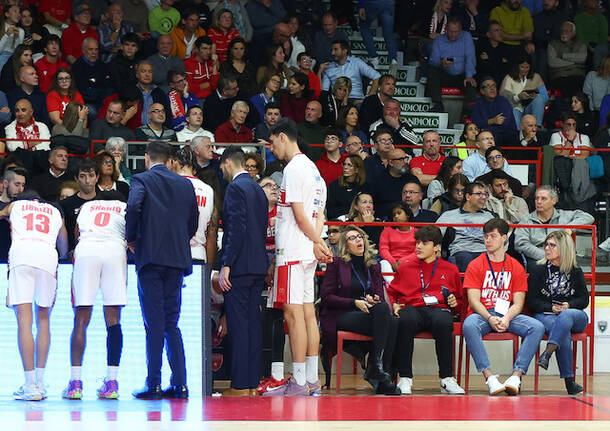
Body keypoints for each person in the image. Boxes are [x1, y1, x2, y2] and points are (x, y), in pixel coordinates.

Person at [127, 141, 198, 400]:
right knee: (172, 323)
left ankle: (153, 383)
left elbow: (134, 207)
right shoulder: (185, 183)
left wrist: (131, 237)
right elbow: (193, 222)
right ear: (170, 160)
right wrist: (179, 240)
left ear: (147, 158)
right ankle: (180, 384)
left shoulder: (141, 179)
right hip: (177, 259)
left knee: (154, 323)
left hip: (151, 257)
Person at [266, 118, 331, 396]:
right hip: (306, 250)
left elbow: (301, 215)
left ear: (283, 137)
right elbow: (319, 216)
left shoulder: (293, 168)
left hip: (293, 250)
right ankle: (312, 380)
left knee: (293, 316)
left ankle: (301, 381)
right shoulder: (315, 170)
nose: (271, 148)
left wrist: (317, 241)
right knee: (307, 315)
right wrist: (318, 243)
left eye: (272, 142)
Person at [462, 218, 545, 396]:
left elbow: (519, 302)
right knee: (469, 325)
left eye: (493, 236)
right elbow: (474, 301)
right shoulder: (476, 264)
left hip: (507, 314)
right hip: (483, 315)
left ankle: (516, 376)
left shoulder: (515, 266)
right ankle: (490, 378)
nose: (488, 240)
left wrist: (506, 318)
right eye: (485, 237)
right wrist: (490, 318)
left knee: (536, 327)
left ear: (504, 238)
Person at [1, 190, 68, 401]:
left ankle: (30, 385)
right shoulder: (55, 210)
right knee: (44, 320)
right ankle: (40, 382)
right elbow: (63, 242)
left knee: (24, 323)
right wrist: (62, 256)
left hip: (22, 255)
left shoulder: (16, 206)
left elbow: (2, 213)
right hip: (47, 256)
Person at [62, 191, 128, 400]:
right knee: (114, 319)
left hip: (87, 248)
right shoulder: (123, 206)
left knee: (81, 319)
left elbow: (76, 232)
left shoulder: (87, 207)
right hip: (114, 249)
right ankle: (112, 382)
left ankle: (75, 383)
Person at [319, 225, 400, 395]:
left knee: (390, 318)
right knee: (388, 320)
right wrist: (354, 303)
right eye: (352, 238)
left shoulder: (374, 266)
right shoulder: (336, 264)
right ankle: (377, 371)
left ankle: (379, 370)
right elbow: (327, 297)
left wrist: (373, 299)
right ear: (345, 244)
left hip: (367, 314)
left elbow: (379, 296)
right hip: (341, 314)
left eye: (360, 237)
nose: (358, 240)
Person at [388, 224, 465, 395]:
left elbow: (459, 301)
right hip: (412, 308)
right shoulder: (406, 266)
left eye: (424, 243)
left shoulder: (450, 269)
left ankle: (447, 378)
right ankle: (405, 378)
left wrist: (454, 303)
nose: (419, 247)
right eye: (417, 243)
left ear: (437, 247)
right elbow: (391, 291)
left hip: (438, 309)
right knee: (405, 319)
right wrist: (393, 304)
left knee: (444, 322)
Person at [215, 146, 268, 396]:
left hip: (240, 265)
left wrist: (226, 263)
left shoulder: (235, 188)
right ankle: (251, 382)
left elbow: (236, 229)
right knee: (253, 325)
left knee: (238, 325)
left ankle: (239, 384)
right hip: (258, 264)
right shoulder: (257, 188)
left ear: (227, 163)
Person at [528, 230, 589, 395]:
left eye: (552, 245)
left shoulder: (575, 270)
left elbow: (584, 300)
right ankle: (570, 382)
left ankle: (547, 353)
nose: (547, 248)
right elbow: (532, 301)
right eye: (546, 245)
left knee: (565, 316)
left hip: (574, 315)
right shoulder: (537, 269)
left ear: (563, 248)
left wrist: (568, 305)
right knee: (563, 332)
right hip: (547, 314)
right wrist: (550, 308)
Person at [515, 185, 595, 270]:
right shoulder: (527, 220)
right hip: (537, 258)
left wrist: (569, 227)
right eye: (536, 198)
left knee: (575, 270)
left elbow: (589, 218)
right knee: (539, 268)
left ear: (554, 201)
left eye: (543, 198)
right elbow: (521, 244)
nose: (538, 201)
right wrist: (547, 255)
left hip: (561, 257)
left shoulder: (564, 215)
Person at [436, 181, 495, 272]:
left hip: (486, 251)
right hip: (462, 251)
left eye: (485, 194)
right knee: (468, 262)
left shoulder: (489, 216)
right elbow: (434, 234)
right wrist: (437, 250)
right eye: (479, 194)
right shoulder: (449, 215)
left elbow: (501, 237)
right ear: (468, 197)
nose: (484, 197)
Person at [172, 147, 217, 264]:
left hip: (173, 253)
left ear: (175, 163)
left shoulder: (169, 185)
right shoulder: (208, 190)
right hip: (198, 252)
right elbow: (211, 230)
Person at [427, 17, 477, 116]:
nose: (453, 34)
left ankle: (467, 112)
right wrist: (441, 62)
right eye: (451, 31)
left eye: (456, 32)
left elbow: (470, 57)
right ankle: (438, 104)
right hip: (445, 74)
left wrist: (469, 75)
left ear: (460, 30)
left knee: (471, 83)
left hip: (462, 75)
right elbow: (432, 60)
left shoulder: (466, 36)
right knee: (432, 71)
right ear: (446, 29)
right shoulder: (439, 40)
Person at [321, 39, 380, 104]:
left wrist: (369, 98)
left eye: (335, 50)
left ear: (344, 51)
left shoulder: (356, 62)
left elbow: (377, 76)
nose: (332, 53)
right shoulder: (329, 68)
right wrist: (319, 72)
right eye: (332, 50)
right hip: (338, 101)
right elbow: (324, 91)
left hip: (357, 100)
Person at [60, 159, 100, 251]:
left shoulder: (106, 202)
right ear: (76, 179)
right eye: (82, 176)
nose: (87, 180)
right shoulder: (65, 204)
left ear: (97, 177)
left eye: (91, 175)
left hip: (101, 251)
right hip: (74, 252)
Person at [370, 148, 418, 220]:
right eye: (401, 159)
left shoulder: (412, 179)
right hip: (384, 219)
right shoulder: (377, 180)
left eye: (406, 158)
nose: (405, 162)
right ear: (391, 163)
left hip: (410, 218)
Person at [499, 56, 548, 127]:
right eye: (522, 67)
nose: (525, 70)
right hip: (516, 108)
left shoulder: (536, 77)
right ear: (517, 66)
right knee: (514, 111)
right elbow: (502, 98)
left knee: (539, 99)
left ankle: (537, 127)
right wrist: (518, 97)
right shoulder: (509, 78)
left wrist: (535, 96)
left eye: (527, 67)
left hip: (531, 108)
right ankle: (518, 135)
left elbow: (545, 97)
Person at [472, 77, 518, 148]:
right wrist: (492, 121)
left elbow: (504, 124)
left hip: (505, 135)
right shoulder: (478, 104)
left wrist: (486, 126)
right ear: (482, 91)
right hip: (486, 134)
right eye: (488, 86)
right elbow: (476, 123)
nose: (492, 88)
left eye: (494, 86)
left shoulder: (503, 101)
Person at [72, 38, 111, 118]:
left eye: (96, 49)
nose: (94, 52)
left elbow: (107, 86)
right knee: (93, 112)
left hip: (101, 100)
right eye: (90, 49)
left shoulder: (103, 65)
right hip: (85, 102)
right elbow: (81, 90)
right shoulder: (77, 66)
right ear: (83, 50)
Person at [548, 22, 587, 98]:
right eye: (562, 30)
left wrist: (563, 56)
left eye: (567, 31)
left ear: (573, 33)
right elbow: (552, 62)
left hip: (577, 75)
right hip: (559, 75)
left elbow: (582, 58)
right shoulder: (553, 44)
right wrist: (574, 62)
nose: (564, 33)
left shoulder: (580, 44)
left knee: (576, 85)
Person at [358, 0, 398, 73]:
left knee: (364, 28)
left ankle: (374, 57)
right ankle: (393, 60)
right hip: (388, 3)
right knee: (389, 34)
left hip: (372, 3)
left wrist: (361, 5)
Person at [379, 202, 415, 281]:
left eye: (399, 213)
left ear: (407, 215)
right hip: (391, 264)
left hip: (410, 262)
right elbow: (383, 249)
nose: (396, 216)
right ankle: (392, 285)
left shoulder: (417, 232)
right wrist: (393, 262)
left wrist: (403, 261)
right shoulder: (387, 231)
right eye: (394, 215)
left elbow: (417, 252)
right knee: (383, 263)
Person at [532, 0, 567, 82]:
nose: (546, 2)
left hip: (557, 48)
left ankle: (542, 89)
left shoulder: (563, 18)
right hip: (539, 47)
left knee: (543, 56)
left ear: (557, 3)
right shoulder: (536, 18)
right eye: (544, 0)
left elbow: (559, 37)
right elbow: (535, 36)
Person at [327, 155, 366, 220]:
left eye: (349, 165)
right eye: (344, 164)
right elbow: (330, 211)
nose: (345, 167)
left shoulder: (364, 187)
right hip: (339, 222)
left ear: (356, 169)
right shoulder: (334, 186)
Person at [184, 36, 220, 100]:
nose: (208, 52)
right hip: (196, 100)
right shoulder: (188, 63)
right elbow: (189, 89)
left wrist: (215, 65)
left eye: (210, 48)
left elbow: (215, 86)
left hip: (212, 98)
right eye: (204, 48)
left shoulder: (211, 62)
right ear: (197, 49)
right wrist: (209, 84)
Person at [476, 21, 511, 85]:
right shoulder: (481, 46)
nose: (500, 33)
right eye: (496, 30)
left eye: (501, 30)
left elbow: (507, 67)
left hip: (501, 78)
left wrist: (489, 59)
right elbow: (483, 67)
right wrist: (499, 61)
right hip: (485, 78)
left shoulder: (505, 48)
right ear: (489, 34)